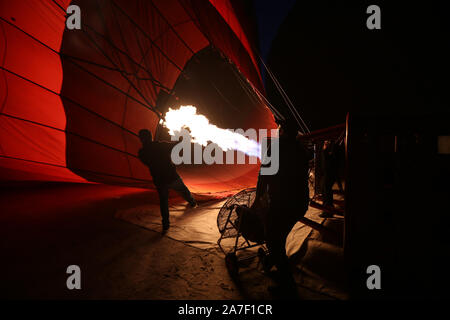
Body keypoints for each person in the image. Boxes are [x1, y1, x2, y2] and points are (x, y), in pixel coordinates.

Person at [256, 120, 311, 298]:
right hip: (299, 203)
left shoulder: (276, 146)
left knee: (272, 239)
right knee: (279, 237)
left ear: (284, 131)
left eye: (279, 128)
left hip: (283, 203)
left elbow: (264, 173)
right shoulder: (301, 150)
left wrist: (258, 198)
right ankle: (274, 262)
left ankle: (288, 286)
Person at [138, 129, 197, 232]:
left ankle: (166, 224)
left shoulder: (141, 153)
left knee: (163, 201)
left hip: (159, 180)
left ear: (141, 139)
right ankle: (192, 203)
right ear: (151, 137)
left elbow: (148, 163)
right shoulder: (160, 145)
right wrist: (183, 138)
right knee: (183, 189)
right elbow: (175, 145)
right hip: (171, 176)